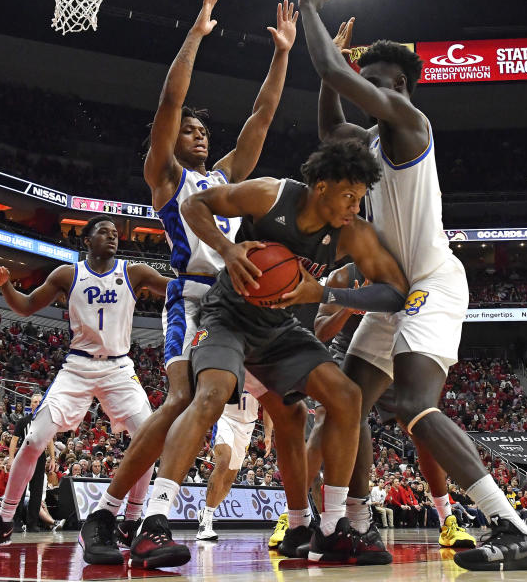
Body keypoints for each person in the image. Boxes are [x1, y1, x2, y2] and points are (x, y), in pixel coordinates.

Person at [298, 0, 527, 571]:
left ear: (405, 92)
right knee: (347, 401)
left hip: (432, 285)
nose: (381, 93)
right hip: (393, 287)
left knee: (412, 404)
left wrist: (311, 10)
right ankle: (352, 529)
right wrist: (342, 74)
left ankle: (513, 525)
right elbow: (333, 123)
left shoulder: (410, 127)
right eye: (375, 83)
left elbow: (331, 71)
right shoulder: (371, 146)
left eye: (389, 85)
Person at [78, 0, 301, 561]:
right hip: (194, 301)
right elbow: (170, 105)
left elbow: (261, 118)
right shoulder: (166, 179)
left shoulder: (227, 178)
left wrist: (282, 54)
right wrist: (195, 36)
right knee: (179, 400)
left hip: (243, 302)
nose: (198, 133)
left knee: (286, 404)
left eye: (203, 130)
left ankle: (308, 520)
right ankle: (110, 514)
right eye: (189, 131)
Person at [126, 138, 410, 569]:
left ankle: (330, 527)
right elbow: (194, 206)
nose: (356, 206)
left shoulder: (354, 233)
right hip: (228, 317)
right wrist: (227, 249)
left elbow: (395, 291)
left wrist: (328, 291)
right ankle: (154, 521)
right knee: (212, 393)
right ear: (322, 186)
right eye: (349, 195)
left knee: (346, 397)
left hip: (281, 331)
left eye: (361, 198)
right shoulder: (271, 193)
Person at [0, 215, 168, 552]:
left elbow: (176, 288)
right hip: (78, 366)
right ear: (86, 240)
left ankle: (131, 521)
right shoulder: (68, 274)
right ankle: (5, 521)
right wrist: (5, 286)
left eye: (115, 233)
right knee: (33, 440)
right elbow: (26, 306)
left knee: (148, 440)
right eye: (103, 231)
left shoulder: (135, 272)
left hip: (119, 368)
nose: (112, 237)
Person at [306, 262, 474, 549]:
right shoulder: (343, 276)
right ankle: (297, 516)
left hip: (390, 355)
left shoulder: (407, 269)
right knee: (327, 419)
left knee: (422, 429)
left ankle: (447, 520)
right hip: (345, 353)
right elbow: (320, 330)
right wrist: (350, 304)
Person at [196, 391, 272, 540]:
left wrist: (268, 434)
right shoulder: (232, 367)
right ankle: (206, 523)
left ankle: (205, 512)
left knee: (230, 478)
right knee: (223, 462)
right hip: (226, 418)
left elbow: (268, 405)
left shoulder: (261, 371)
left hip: (247, 427)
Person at [9, 392, 55, 531]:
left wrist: (52, 458)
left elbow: (50, 440)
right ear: (31, 404)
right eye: (34, 401)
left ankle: (32, 523)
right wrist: (11, 458)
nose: (37, 404)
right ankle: (16, 522)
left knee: (36, 492)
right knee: (20, 490)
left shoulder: (46, 423)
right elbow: (14, 440)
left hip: (39, 457)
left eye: (39, 402)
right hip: (23, 456)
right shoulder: (23, 421)